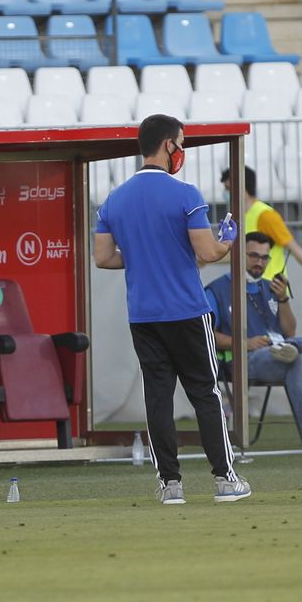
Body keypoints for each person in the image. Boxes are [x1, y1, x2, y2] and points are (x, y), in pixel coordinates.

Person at [93, 114, 250, 506]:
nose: (181, 150)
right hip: (186, 310)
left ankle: (170, 485)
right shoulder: (186, 195)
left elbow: (103, 258)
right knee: (205, 393)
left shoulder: (114, 199)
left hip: (143, 315)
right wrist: (228, 239)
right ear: (168, 145)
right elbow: (208, 252)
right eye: (181, 142)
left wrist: (145, 256)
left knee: (158, 397)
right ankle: (224, 480)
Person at [207, 232, 302, 449]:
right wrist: (244, 343)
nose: (260, 262)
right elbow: (205, 334)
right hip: (241, 360)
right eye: (254, 256)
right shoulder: (217, 289)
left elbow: (289, 330)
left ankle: (289, 350)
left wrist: (283, 299)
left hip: (280, 354)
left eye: (265, 258)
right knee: (296, 358)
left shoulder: (271, 287)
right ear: (238, 254)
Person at [220, 165, 302, 291]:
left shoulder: (265, 215)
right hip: (250, 289)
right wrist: (205, 258)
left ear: (242, 187)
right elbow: (237, 255)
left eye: (228, 188)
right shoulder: (240, 216)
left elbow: (294, 248)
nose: (225, 193)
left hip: (272, 290)